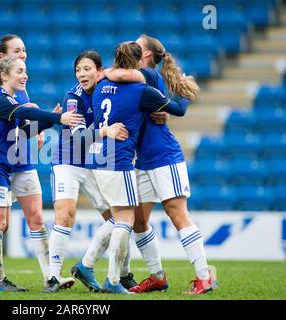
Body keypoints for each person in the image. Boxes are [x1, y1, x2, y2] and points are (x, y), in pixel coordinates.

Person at [77, 34, 217, 295]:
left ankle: (204, 275)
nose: (133, 43)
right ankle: (157, 276)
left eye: (138, 44)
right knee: (138, 220)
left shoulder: (148, 77)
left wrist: (105, 72)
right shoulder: (132, 81)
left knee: (177, 215)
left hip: (164, 156)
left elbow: (175, 106)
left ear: (147, 56)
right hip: (142, 161)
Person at [0, 35, 75, 290]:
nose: (23, 56)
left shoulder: (16, 89)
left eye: (24, 52)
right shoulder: (0, 96)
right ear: (3, 63)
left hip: (12, 162)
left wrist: (48, 121)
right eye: (17, 53)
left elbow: (24, 127)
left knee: (27, 220)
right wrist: (55, 119)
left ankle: (49, 278)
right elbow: (24, 113)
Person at [44, 50, 130, 293]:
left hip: (93, 163)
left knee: (119, 218)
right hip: (67, 161)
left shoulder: (109, 88)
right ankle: (52, 278)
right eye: (78, 70)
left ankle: (115, 273)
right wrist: (105, 131)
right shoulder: (74, 97)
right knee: (65, 214)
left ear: (100, 70)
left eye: (86, 68)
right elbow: (79, 137)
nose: (81, 74)